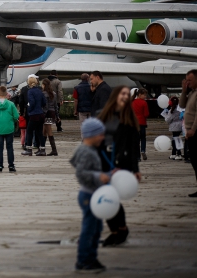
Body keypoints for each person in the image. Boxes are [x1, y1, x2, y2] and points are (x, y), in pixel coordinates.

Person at [98, 86, 142, 247]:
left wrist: (135, 169)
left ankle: (120, 229)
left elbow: (132, 148)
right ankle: (116, 231)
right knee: (105, 199)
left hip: (122, 165)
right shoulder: (103, 117)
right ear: (116, 96)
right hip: (105, 163)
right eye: (122, 93)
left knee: (113, 198)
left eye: (127, 94)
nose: (125, 96)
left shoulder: (129, 120)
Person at [70, 118, 110, 273]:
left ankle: (91, 257)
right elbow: (81, 173)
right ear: (90, 135)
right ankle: (84, 259)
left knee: (96, 227)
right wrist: (98, 177)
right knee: (89, 229)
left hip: (92, 194)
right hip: (88, 195)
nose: (102, 137)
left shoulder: (86, 149)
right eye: (99, 134)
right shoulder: (86, 151)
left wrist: (107, 174)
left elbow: (76, 163)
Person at [179, 70, 197, 197]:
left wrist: (193, 129)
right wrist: (184, 91)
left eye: (189, 80)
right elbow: (181, 104)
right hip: (190, 132)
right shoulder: (191, 93)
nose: (187, 83)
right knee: (194, 161)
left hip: (195, 131)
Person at [21, 76, 46, 157]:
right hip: (41, 114)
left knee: (29, 131)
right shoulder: (40, 91)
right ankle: (42, 149)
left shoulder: (30, 91)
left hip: (34, 114)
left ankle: (29, 149)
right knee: (39, 132)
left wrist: (29, 110)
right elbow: (44, 102)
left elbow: (32, 102)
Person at [131, 88, 150, 161]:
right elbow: (146, 114)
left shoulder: (132, 102)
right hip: (142, 123)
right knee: (143, 138)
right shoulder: (144, 103)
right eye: (144, 95)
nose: (145, 96)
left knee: (136, 140)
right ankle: (143, 150)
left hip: (134, 123)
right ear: (139, 95)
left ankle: (137, 157)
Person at [42, 78, 58, 156]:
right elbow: (56, 106)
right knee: (44, 131)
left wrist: (43, 114)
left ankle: (54, 150)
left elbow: (46, 106)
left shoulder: (44, 94)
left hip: (47, 113)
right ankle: (42, 148)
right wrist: (57, 115)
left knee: (48, 131)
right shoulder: (54, 93)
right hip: (52, 113)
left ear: (44, 85)